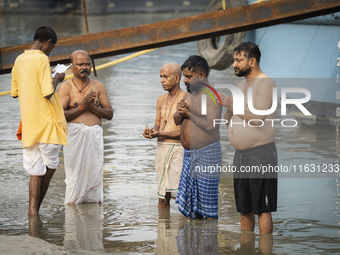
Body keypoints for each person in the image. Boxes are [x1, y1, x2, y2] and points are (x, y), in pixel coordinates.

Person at [218, 42, 278, 234]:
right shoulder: (240, 84)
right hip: (241, 154)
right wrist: (222, 106)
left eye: (238, 60)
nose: (234, 64)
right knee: (244, 209)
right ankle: (247, 250)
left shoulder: (266, 83)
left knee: (262, 208)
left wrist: (231, 104)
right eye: (234, 60)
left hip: (260, 153)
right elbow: (229, 119)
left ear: (252, 61)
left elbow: (258, 118)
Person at [11, 26, 68, 216]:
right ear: (47, 43)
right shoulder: (42, 58)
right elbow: (47, 93)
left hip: (29, 124)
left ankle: (32, 212)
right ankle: (37, 209)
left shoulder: (19, 59)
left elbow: (15, 92)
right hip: (47, 123)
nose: (51, 51)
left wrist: (46, 76)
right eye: (52, 48)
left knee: (35, 170)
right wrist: (57, 78)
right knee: (50, 168)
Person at [58, 50, 113, 204]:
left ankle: (93, 216)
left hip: (94, 138)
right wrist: (82, 108)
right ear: (72, 67)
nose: (84, 67)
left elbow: (109, 114)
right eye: (80, 64)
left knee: (94, 175)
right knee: (74, 177)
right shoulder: (65, 87)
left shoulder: (98, 86)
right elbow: (60, 116)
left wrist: (92, 108)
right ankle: (72, 214)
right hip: (74, 139)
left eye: (87, 64)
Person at [174, 55, 222, 219]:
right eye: (184, 76)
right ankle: (193, 241)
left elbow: (211, 125)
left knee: (207, 209)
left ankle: (208, 241)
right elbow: (176, 120)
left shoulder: (211, 95)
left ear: (201, 76)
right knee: (191, 208)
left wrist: (188, 113)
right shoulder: (188, 94)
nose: (184, 80)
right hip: (189, 156)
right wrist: (180, 112)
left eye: (188, 76)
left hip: (206, 155)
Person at [142, 63, 185, 207]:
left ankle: (183, 228)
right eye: (161, 77)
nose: (162, 80)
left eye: (166, 77)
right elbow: (157, 125)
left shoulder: (186, 98)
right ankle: (163, 228)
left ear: (177, 78)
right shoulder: (160, 99)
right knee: (162, 197)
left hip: (177, 149)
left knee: (180, 195)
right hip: (161, 149)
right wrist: (152, 131)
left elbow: (187, 132)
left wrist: (160, 133)